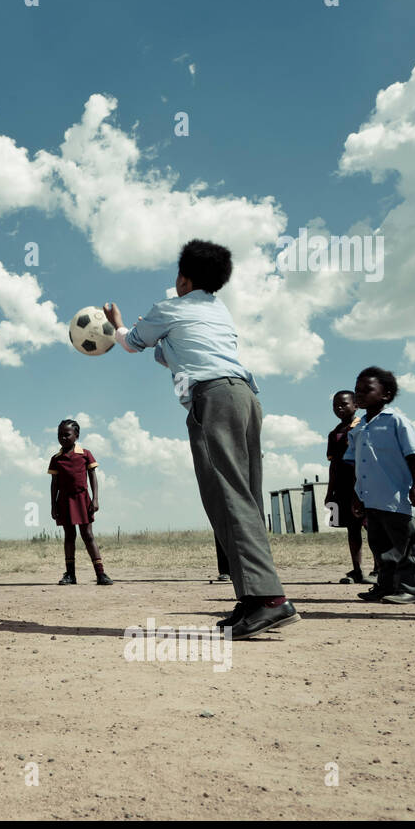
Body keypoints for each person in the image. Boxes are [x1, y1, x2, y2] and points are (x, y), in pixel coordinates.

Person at [105, 240, 298, 639]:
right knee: (245, 497)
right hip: (245, 397)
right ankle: (252, 598)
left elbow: (130, 343)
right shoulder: (218, 311)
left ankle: (269, 600)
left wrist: (117, 322)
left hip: (213, 400)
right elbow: (173, 353)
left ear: (183, 277)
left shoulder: (170, 308)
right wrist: (160, 341)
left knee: (227, 497)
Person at [345, 368, 415, 604]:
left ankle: (414, 589)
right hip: (369, 497)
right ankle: (386, 586)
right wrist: (356, 496)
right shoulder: (358, 428)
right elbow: (355, 466)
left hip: (394, 495)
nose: (359, 394)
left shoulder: (396, 421)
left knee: (405, 544)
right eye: (357, 390)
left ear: (385, 394)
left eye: (367, 390)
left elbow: (413, 455)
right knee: (380, 546)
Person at [324, 389, 378, 585]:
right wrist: (330, 492)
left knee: (371, 528)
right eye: (335, 405)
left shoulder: (364, 427)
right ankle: (356, 570)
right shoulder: (333, 434)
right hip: (343, 487)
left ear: (356, 405)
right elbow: (333, 465)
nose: (339, 408)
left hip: (363, 484)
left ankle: (378, 569)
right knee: (352, 529)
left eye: (344, 404)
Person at [49, 419, 112, 586]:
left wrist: (95, 498)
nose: (62, 438)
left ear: (76, 435)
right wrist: (53, 505)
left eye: (66, 434)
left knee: (88, 535)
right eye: (59, 435)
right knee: (69, 536)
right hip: (64, 500)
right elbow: (54, 484)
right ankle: (70, 575)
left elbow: (93, 477)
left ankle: (100, 574)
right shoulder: (56, 459)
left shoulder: (85, 454)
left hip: (82, 499)